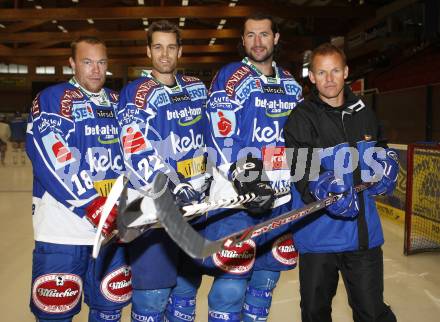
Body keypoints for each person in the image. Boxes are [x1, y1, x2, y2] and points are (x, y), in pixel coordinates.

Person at [170, 13, 303, 322]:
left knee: (263, 286)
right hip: (237, 202)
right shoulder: (230, 76)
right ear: (243, 41)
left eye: (264, 34)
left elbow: (299, 141)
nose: (258, 42)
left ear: (276, 38)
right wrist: (250, 176)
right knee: (229, 289)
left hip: (279, 203)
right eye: (251, 35)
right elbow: (221, 132)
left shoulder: (292, 86)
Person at [284, 43, 398, 322]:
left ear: (346, 72)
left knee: (372, 313)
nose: (329, 79)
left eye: (335, 70)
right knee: (314, 313)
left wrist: (385, 165)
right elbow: (300, 171)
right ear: (311, 77)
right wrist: (319, 187)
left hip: (362, 237)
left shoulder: (364, 113)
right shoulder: (301, 117)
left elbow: (379, 150)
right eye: (321, 73)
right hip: (319, 237)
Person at [26, 36, 132, 322]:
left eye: (101, 63)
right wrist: (91, 203)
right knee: (55, 314)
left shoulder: (116, 102)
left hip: (111, 231)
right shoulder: (53, 99)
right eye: (87, 62)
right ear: (72, 63)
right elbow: (51, 154)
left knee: (109, 310)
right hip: (63, 231)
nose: (95, 70)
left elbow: (134, 155)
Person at [116, 20, 209, 322]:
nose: (165, 54)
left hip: (195, 210)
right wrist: (171, 185)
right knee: (151, 301)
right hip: (153, 213)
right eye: (158, 47)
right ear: (148, 51)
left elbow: (213, 140)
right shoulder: (135, 92)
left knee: (185, 296)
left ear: (180, 51)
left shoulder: (196, 89)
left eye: (171, 47)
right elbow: (134, 146)